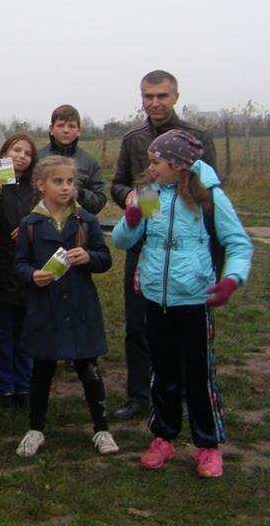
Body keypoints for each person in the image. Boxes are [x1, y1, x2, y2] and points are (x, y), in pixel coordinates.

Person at [112, 131, 252, 478]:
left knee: (198, 376)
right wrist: (131, 220)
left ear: (178, 166)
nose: (150, 168)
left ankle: (208, 445)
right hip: (155, 298)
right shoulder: (150, 193)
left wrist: (232, 279)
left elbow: (238, 243)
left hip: (193, 299)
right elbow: (123, 240)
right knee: (163, 373)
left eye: (156, 162)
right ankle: (163, 437)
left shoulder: (208, 197)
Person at [110, 70, 217, 421]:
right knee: (137, 324)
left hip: (186, 247)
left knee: (184, 326)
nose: (154, 103)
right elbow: (118, 183)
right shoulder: (133, 139)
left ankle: (183, 391)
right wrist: (132, 198)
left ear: (175, 97)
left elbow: (210, 190)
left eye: (161, 96)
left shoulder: (198, 137)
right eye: (148, 96)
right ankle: (140, 395)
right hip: (144, 240)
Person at [13, 156, 119, 458]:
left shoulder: (86, 220)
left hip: (79, 307)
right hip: (45, 308)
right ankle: (35, 429)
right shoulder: (30, 224)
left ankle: (102, 429)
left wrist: (89, 257)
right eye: (58, 181)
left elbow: (105, 258)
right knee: (42, 371)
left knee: (89, 370)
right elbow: (19, 264)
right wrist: (33, 275)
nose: (65, 187)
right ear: (41, 185)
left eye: (70, 182)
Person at [0, 133, 38, 407]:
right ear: (4, 153)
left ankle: (24, 385)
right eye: (16, 150)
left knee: (25, 333)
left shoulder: (36, 189)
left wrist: (30, 229)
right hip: (0, 268)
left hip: (28, 268)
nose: (21, 157)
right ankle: (4, 386)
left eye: (27, 153)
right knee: (2, 332)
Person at [38, 104, 107, 215]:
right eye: (60, 125)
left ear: (79, 130)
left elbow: (100, 201)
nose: (66, 130)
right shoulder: (37, 158)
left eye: (71, 126)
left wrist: (80, 194)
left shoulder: (90, 163)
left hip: (77, 222)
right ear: (51, 129)